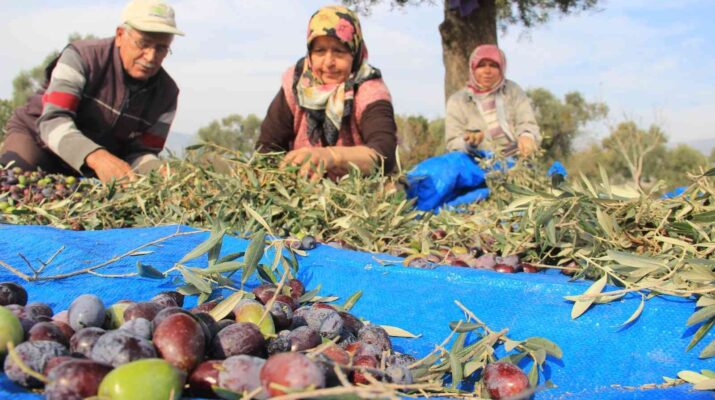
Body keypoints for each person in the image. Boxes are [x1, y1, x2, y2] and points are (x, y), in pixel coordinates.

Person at [0, 0, 184, 183]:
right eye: (143, 44)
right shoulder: (82, 57)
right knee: (13, 182)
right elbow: (53, 120)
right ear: (120, 35)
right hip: (39, 140)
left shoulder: (167, 94)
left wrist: (160, 173)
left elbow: (142, 151)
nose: (151, 57)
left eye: (161, 48)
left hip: (95, 163)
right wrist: (96, 157)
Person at [257, 5, 397, 181]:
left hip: (360, 190)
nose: (329, 62)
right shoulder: (297, 84)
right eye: (320, 51)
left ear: (354, 53)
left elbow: (384, 156)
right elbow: (266, 149)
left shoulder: (370, 90)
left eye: (339, 51)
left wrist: (332, 156)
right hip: (304, 189)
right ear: (310, 53)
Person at [445, 44, 540, 158]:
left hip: (516, 159)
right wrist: (469, 143)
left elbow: (527, 122)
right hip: (478, 162)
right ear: (473, 68)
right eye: (481, 65)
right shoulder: (457, 101)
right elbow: (452, 141)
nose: (487, 71)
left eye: (493, 65)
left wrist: (527, 136)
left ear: (501, 69)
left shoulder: (512, 90)